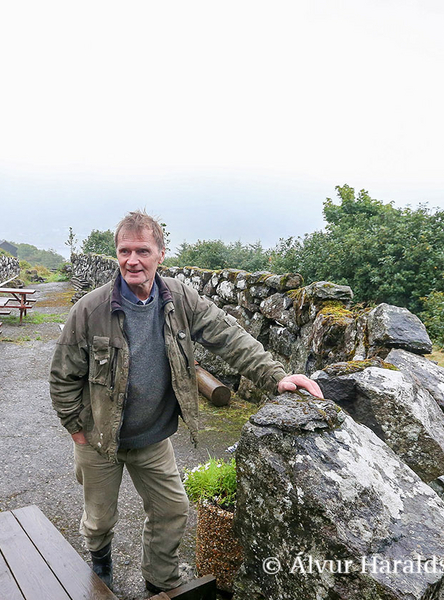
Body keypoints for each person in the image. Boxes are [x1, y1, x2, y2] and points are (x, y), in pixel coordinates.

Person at [49, 210, 323, 593]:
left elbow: (229, 336)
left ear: (161, 254)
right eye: (124, 251)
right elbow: (63, 375)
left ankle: (159, 578)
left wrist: (276, 376)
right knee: (98, 520)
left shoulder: (180, 298)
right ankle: (101, 563)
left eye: (142, 251)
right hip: (99, 441)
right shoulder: (90, 310)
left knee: (172, 511)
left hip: (153, 437)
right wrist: (76, 429)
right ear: (116, 254)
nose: (132, 260)